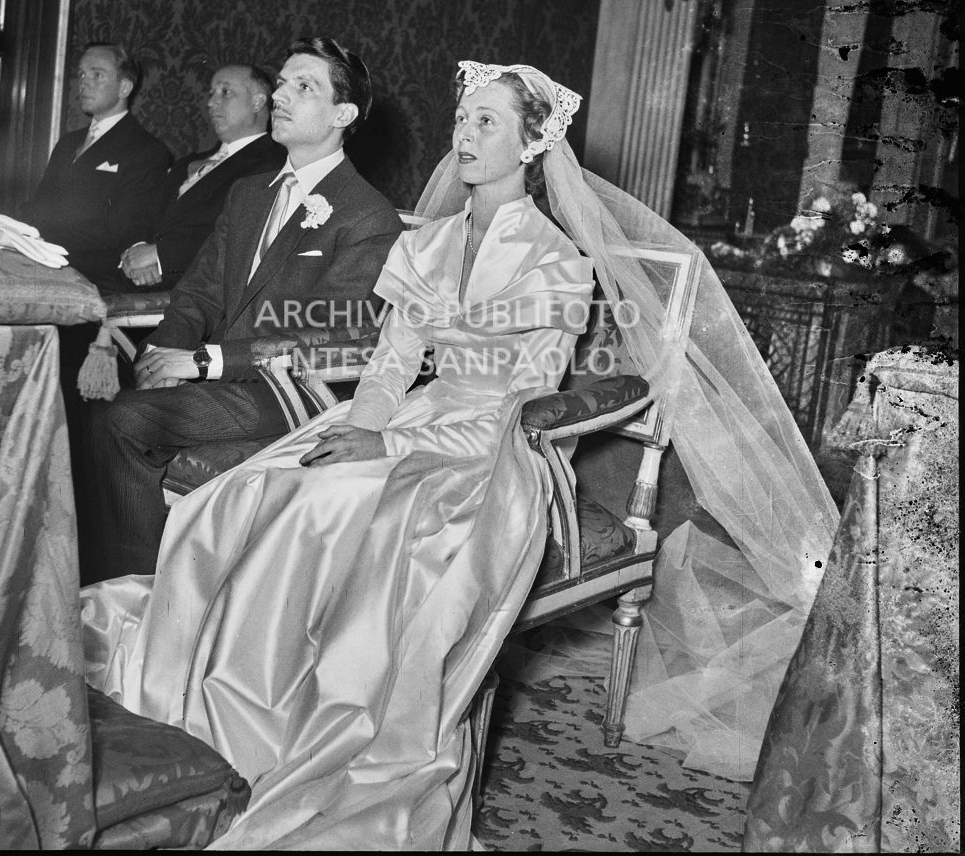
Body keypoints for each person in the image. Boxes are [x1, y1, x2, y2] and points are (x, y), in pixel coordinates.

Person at [81, 61, 839, 847]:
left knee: (335, 507)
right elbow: (389, 363)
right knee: (247, 492)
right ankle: (216, 713)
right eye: (464, 119)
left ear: (531, 146)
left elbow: (529, 396)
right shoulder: (429, 242)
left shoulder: (556, 262)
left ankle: (312, 732)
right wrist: (368, 425)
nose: (465, 135)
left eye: (488, 123)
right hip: (405, 416)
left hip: (493, 447)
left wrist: (401, 442)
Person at [78, 37, 404, 585]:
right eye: (281, 82)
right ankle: (142, 579)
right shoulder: (250, 192)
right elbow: (201, 291)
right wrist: (163, 346)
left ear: (342, 114)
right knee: (113, 410)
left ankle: (135, 591)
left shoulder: (367, 216)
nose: (281, 95)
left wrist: (202, 362)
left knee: (123, 421)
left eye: (305, 87)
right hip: (228, 376)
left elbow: (326, 337)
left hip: (298, 392)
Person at [117, 64, 286, 292]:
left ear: (257, 102)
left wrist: (161, 256)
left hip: (205, 295)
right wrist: (137, 250)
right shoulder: (187, 163)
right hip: (144, 285)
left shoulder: (274, 164)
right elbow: (145, 214)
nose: (210, 102)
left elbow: (243, 239)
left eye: (225, 92)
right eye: (211, 94)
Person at [19, 42, 173, 289]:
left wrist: (39, 240)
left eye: (97, 75)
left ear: (124, 87)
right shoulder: (68, 143)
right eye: (81, 74)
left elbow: (120, 230)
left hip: (92, 279)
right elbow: (40, 206)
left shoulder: (146, 151)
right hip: (43, 262)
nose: (84, 82)